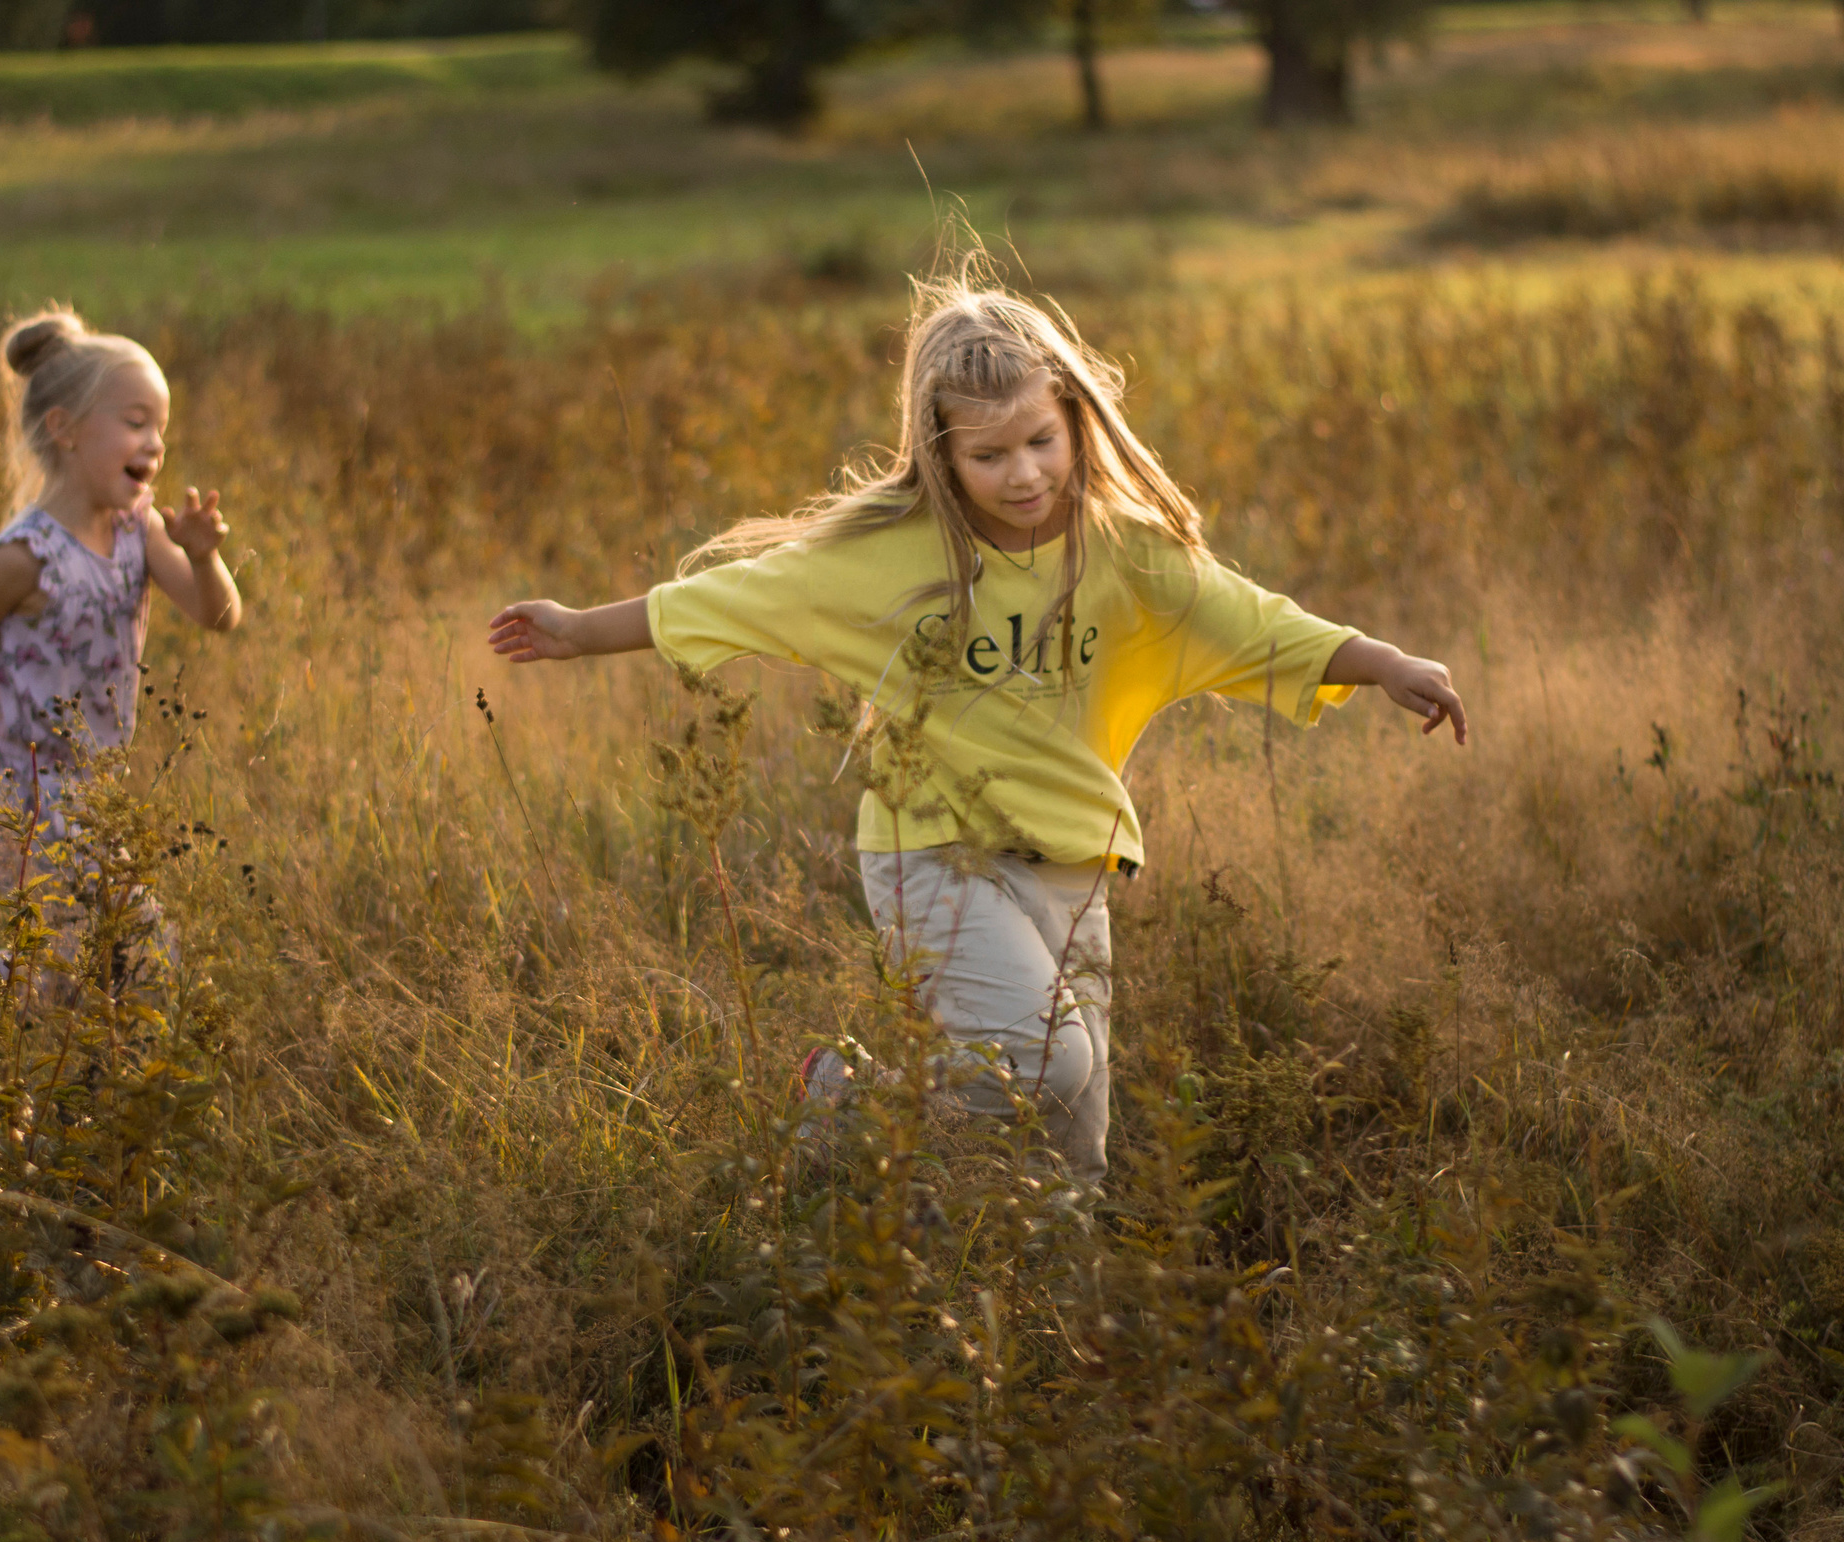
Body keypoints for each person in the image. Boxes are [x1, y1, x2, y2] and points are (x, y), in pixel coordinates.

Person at [486, 271, 1465, 1188]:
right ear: (941, 455)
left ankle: (1022, 1326)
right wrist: (577, 631)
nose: (1024, 473)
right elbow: (731, 598)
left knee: (1072, 1142)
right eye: (988, 455)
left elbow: (1256, 624)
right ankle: (837, 1101)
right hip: (932, 855)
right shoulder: (892, 555)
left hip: (1074, 866)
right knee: (1047, 1063)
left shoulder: (1125, 556)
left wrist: (1385, 665)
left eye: (1040, 440)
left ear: (1073, 420)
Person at [0, 307, 242, 899]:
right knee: (98, 971)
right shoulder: (20, 559)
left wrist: (207, 557)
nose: (155, 444)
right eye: (136, 423)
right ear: (65, 428)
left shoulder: (139, 530)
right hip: (20, 800)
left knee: (122, 972)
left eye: (161, 428)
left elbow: (219, 617)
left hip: (93, 797)